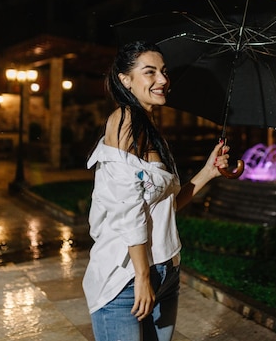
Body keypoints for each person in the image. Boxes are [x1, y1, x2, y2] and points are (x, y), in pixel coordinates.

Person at [84, 40, 231, 341]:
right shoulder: (124, 120)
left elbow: (166, 206)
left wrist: (208, 171)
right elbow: (129, 208)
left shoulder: (148, 127)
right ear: (125, 79)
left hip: (166, 271)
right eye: (150, 72)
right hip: (125, 277)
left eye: (163, 72)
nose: (163, 80)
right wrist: (141, 276)